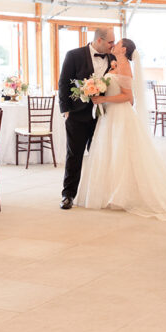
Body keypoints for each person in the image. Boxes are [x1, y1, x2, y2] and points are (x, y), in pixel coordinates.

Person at [76, 38, 166, 221]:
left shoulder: (124, 67)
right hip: (110, 115)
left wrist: (102, 99)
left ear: (123, 49)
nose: (113, 45)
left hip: (120, 115)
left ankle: (122, 195)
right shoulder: (116, 64)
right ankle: (109, 193)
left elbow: (128, 97)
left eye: (117, 43)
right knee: (110, 152)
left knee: (122, 153)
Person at [58, 27, 114, 210]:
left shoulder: (113, 58)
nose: (112, 46)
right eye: (110, 42)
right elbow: (63, 82)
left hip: (103, 116)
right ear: (99, 40)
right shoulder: (74, 55)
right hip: (78, 114)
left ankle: (99, 195)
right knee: (74, 155)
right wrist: (65, 110)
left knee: (101, 156)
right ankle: (68, 195)